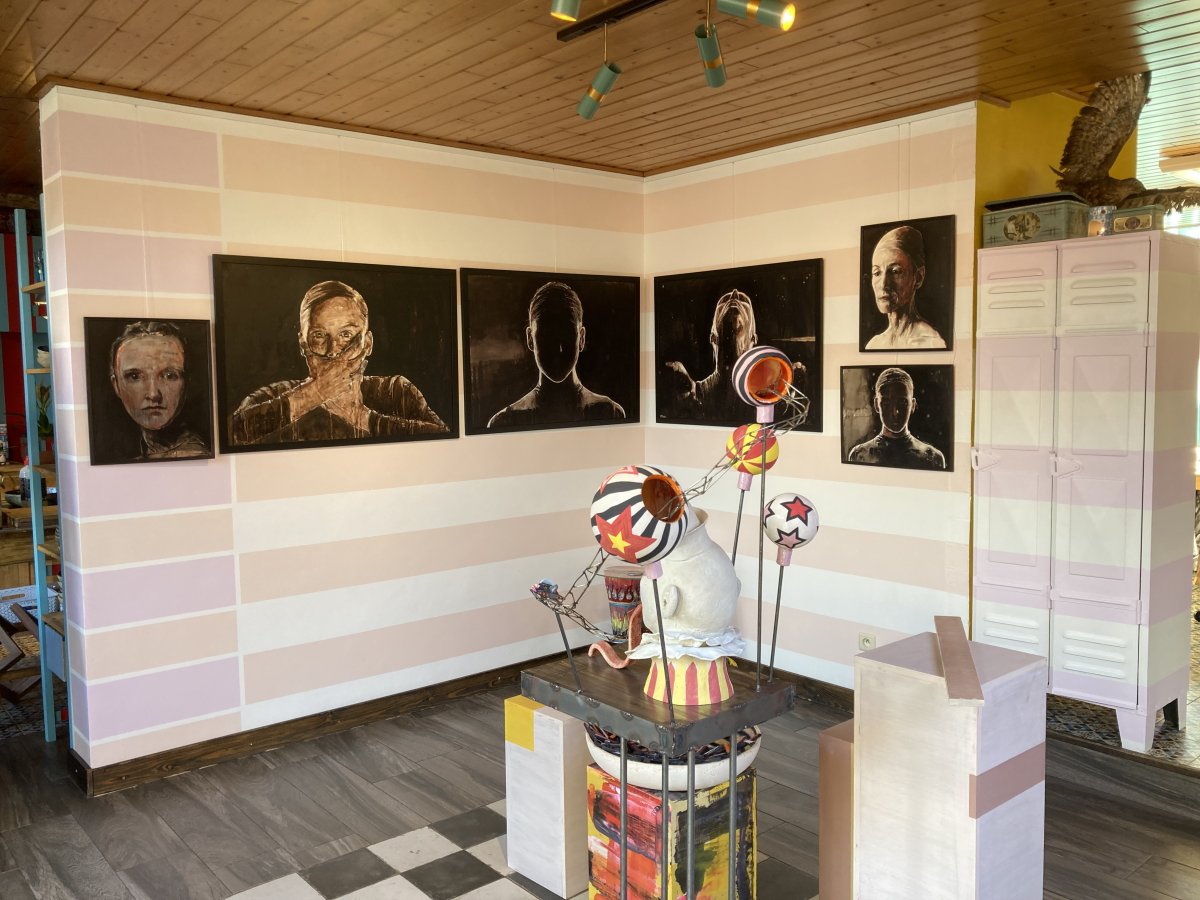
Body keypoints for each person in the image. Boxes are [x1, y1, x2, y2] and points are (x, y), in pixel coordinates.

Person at [231, 280, 448, 445]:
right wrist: (315, 393)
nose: (333, 350)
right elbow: (231, 434)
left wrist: (362, 417)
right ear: (303, 344)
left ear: (367, 344)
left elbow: (444, 437)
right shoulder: (274, 394)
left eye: (346, 334)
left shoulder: (394, 391)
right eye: (319, 335)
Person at [487, 281, 624, 428]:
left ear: (581, 338)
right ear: (530, 339)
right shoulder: (503, 422)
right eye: (547, 337)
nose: (558, 349)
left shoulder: (611, 412)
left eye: (567, 335)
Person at [110, 321, 209, 460]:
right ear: (116, 385)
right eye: (135, 376)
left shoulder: (197, 455)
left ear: (187, 383)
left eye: (170, 375)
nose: (153, 394)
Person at [665, 289, 758, 422]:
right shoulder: (700, 393)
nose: (734, 294)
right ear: (713, 339)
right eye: (727, 330)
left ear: (753, 340)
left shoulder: (763, 392)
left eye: (737, 329)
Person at [864, 225, 946, 350]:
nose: (883, 284)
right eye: (877, 273)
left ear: (918, 277)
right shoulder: (874, 344)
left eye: (895, 271)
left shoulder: (931, 341)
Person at [848, 367, 946, 470]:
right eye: (886, 404)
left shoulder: (932, 458)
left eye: (902, 403)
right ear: (876, 405)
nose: (895, 412)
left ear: (913, 405)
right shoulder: (859, 455)